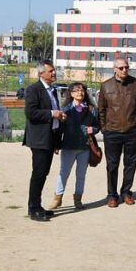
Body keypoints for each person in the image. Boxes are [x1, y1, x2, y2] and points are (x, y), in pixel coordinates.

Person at [98, 58, 136, 207]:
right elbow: (101, 110)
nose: (124, 70)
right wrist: (104, 128)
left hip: (133, 132)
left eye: (126, 67)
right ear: (114, 69)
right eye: (121, 68)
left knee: (130, 164)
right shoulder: (106, 86)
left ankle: (126, 192)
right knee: (112, 165)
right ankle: (112, 195)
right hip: (112, 132)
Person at [23, 60, 66, 222]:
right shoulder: (34, 89)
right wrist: (51, 114)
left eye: (54, 71)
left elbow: (53, 112)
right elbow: (31, 113)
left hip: (50, 138)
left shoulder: (52, 90)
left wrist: (59, 116)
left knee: (43, 173)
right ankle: (33, 208)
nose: (54, 73)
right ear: (41, 73)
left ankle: (38, 205)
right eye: (51, 71)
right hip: (39, 139)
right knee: (39, 173)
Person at [47, 82, 100, 210]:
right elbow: (59, 129)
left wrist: (93, 129)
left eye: (82, 90)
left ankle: (78, 199)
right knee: (63, 173)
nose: (80, 93)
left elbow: (98, 126)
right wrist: (56, 144)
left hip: (85, 147)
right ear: (71, 93)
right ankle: (57, 198)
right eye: (76, 90)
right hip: (68, 147)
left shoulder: (92, 109)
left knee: (81, 175)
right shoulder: (65, 110)